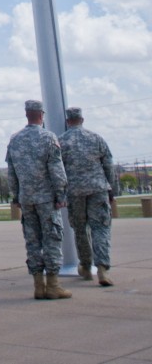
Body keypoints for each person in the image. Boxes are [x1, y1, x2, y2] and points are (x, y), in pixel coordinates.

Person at [6, 99, 71, 300]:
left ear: (27, 115)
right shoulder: (48, 137)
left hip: (27, 199)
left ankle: (38, 285)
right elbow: (57, 170)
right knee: (52, 239)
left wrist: (16, 196)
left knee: (32, 241)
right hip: (46, 199)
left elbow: (12, 173)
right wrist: (61, 194)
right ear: (42, 115)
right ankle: (53, 284)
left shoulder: (15, 139)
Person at [59, 106, 114, 286]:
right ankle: (103, 269)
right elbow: (108, 164)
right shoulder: (95, 138)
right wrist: (110, 188)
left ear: (68, 121)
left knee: (81, 230)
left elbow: (58, 169)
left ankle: (85, 264)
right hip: (98, 189)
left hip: (74, 192)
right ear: (82, 119)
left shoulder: (62, 141)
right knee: (101, 228)